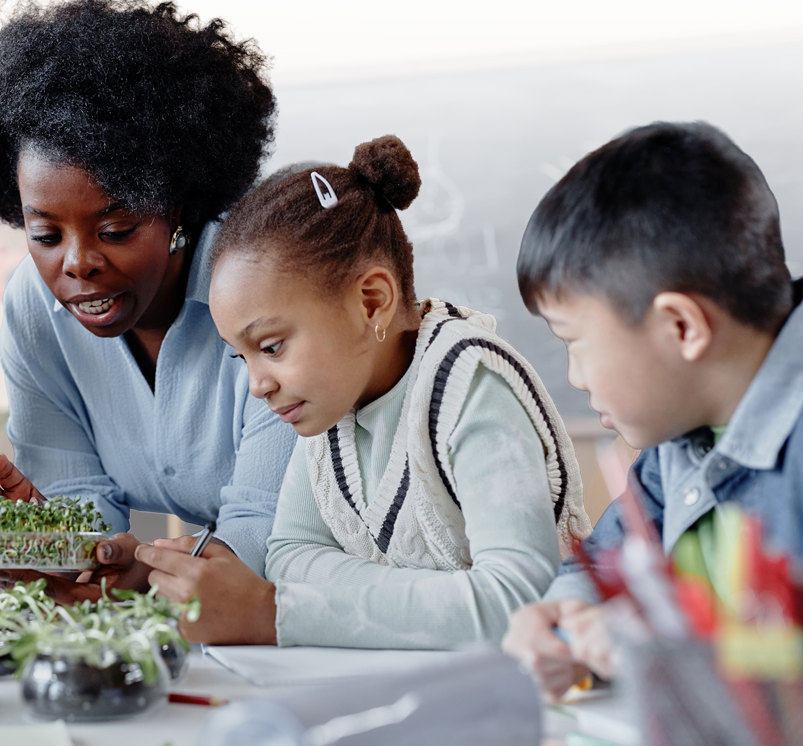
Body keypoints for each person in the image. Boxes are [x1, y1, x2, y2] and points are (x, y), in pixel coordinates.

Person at [0, 0, 295, 600]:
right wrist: (58, 545)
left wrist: (140, 566)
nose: (78, 263)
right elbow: (78, 500)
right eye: (44, 235)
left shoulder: (268, 292)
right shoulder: (33, 307)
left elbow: (265, 527)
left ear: (180, 207)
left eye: (116, 228)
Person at [141, 134, 592, 646]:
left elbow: (517, 602)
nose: (257, 385)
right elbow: (287, 556)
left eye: (270, 346)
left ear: (372, 301)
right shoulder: (328, 404)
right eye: (239, 356)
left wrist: (277, 612)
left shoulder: (469, 382)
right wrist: (455, 597)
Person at [501, 123, 803, 699]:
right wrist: (563, 619)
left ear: (681, 327)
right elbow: (601, 564)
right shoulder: (682, 428)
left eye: (571, 341)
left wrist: (662, 650)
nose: (574, 377)